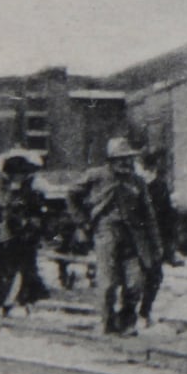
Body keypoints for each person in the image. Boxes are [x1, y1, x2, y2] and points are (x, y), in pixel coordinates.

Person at [68, 137, 162, 336]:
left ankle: (127, 321)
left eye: (128, 158)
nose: (125, 162)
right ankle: (107, 322)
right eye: (120, 159)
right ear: (111, 160)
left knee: (135, 282)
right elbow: (72, 194)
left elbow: (149, 215)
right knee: (108, 283)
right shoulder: (97, 176)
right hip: (106, 232)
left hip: (134, 236)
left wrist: (156, 245)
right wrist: (82, 221)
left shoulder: (137, 182)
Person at [0, 150, 51, 315]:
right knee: (5, 269)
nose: (19, 177)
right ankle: (3, 302)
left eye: (22, 173)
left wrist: (33, 225)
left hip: (26, 237)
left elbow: (38, 212)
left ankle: (24, 301)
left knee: (27, 268)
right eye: (16, 173)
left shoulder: (31, 192)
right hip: (6, 237)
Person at [136, 147, 182, 326]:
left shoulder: (158, 187)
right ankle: (136, 313)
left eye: (142, 169)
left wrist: (169, 243)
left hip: (153, 239)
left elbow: (169, 218)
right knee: (140, 278)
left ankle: (143, 313)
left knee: (154, 276)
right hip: (139, 240)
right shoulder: (136, 186)